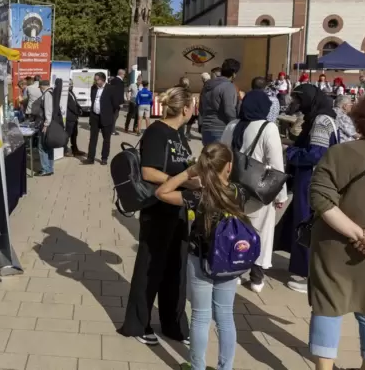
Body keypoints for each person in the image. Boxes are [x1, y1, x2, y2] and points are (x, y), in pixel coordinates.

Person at [307, 93, 365, 370]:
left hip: (333, 245)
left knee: (327, 307)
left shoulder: (338, 153)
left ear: (360, 119)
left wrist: (359, 235)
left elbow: (320, 199)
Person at [155, 143, 249, 370]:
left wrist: (189, 172)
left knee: (200, 317)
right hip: (229, 262)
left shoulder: (196, 196)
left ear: (203, 167)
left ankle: (197, 366)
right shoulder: (239, 192)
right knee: (225, 317)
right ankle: (225, 367)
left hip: (201, 260)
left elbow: (161, 192)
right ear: (229, 166)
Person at [118, 86, 195, 347]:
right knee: (150, 268)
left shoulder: (180, 134)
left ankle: (174, 324)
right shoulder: (156, 131)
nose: (193, 110)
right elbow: (148, 172)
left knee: (176, 268)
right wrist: (182, 181)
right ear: (185, 108)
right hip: (157, 208)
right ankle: (137, 324)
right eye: (192, 105)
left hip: (180, 209)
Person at [221, 91, 288, 293]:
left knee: (235, 229)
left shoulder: (232, 125)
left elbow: (222, 155)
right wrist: (281, 196)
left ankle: (235, 271)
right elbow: (277, 166)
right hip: (259, 191)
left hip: (233, 188)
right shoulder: (269, 129)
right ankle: (256, 277)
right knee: (261, 233)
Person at [277, 84, 339, 293]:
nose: (297, 103)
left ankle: (308, 273)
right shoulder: (320, 116)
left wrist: (290, 153)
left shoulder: (321, 120)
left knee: (306, 223)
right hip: (312, 177)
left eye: (299, 99)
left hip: (312, 178)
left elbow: (316, 154)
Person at [199, 58, 240, 145]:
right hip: (221, 129)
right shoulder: (228, 86)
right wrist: (236, 126)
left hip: (206, 128)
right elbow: (229, 111)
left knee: (209, 157)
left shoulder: (207, 85)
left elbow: (201, 108)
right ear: (233, 73)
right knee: (221, 157)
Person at [84, 72, 115, 165]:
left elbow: (115, 103)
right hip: (94, 116)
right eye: (95, 79)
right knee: (93, 138)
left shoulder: (110, 89)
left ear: (103, 79)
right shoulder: (93, 88)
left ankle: (104, 158)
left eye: (97, 80)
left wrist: (109, 113)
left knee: (106, 139)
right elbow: (93, 99)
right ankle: (90, 158)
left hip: (106, 117)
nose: (96, 81)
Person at [37, 80, 54, 176]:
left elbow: (48, 110)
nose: (40, 89)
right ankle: (50, 168)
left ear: (43, 86)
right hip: (52, 123)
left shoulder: (47, 94)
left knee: (42, 147)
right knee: (49, 146)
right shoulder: (53, 92)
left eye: (40, 87)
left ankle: (45, 169)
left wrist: (46, 124)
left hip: (47, 124)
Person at [65, 79, 83, 157]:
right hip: (69, 117)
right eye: (70, 85)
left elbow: (75, 103)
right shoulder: (65, 94)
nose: (71, 86)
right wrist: (77, 112)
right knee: (68, 135)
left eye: (72, 84)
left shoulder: (71, 92)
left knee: (74, 134)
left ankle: (75, 150)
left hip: (74, 117)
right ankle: (65, 150)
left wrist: (80, 108)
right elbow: (71, 106)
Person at [110, 69, 126, 136]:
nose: (124, 76)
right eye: (124, 74)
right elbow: (119, 93)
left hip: (112, 101)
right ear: (121, 74)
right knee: (115, 116)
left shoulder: (113, 80)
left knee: (113, 116)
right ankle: (112, 130)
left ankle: (111, 129)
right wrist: (121, 103)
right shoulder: (119, 82)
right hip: (116, 102)